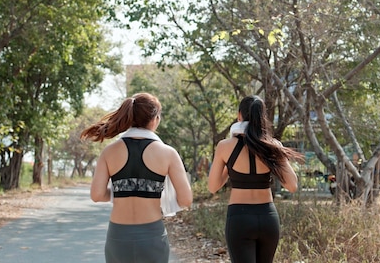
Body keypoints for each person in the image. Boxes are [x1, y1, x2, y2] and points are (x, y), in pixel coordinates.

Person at [81, 92, 193, 263]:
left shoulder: (109, 152)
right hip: (152, 234)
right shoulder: (168, 153)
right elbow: (186, 200)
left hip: (118, 235)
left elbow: (96, 195)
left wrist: (120, 191)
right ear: (155, 119)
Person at [208, 95, 303, 263]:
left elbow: (213, 186)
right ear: (262, 117)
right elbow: (292, 185)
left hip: (239, 218)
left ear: (239, 116)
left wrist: (230, 167)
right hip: (268, 218)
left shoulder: (225, 146)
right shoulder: (272, 146)